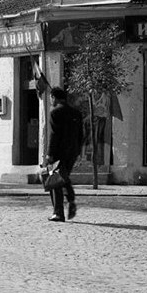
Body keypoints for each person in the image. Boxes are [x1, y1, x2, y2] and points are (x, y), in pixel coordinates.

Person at [45, 87, 84, 222]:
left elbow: (54, 135)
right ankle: (71, 199)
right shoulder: (76, 113)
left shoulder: (55, 112)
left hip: (59, 153)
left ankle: (58, 212)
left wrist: (50, 154)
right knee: (64, 177)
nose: (50, 101)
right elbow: (81, 135)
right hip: (72, 152)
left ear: (54, 97)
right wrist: (78, 150)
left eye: (51, 98)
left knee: (55, 182)